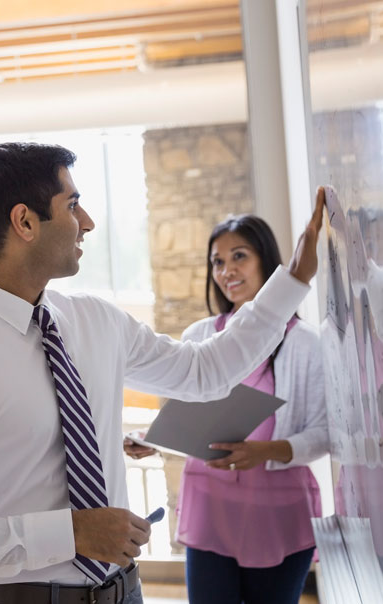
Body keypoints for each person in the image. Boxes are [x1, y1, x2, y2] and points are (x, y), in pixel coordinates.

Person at [0, 142, 325, 604]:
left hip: (123, 592)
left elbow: (206, 372)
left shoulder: (97, 321)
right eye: (72, 205)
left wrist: (293, 279)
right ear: (25, 222)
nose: (88, 222)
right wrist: (69, 533)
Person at [124, 215, 328, 604]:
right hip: (209, 510)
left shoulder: (304, 344)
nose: (227, 271)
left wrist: (263, 452)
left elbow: (326, 434)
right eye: (218, 262)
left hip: (276, 514)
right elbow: (189, 419)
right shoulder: (199, 337)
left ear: (266, 261)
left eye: (239, 256)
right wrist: (154, 439)